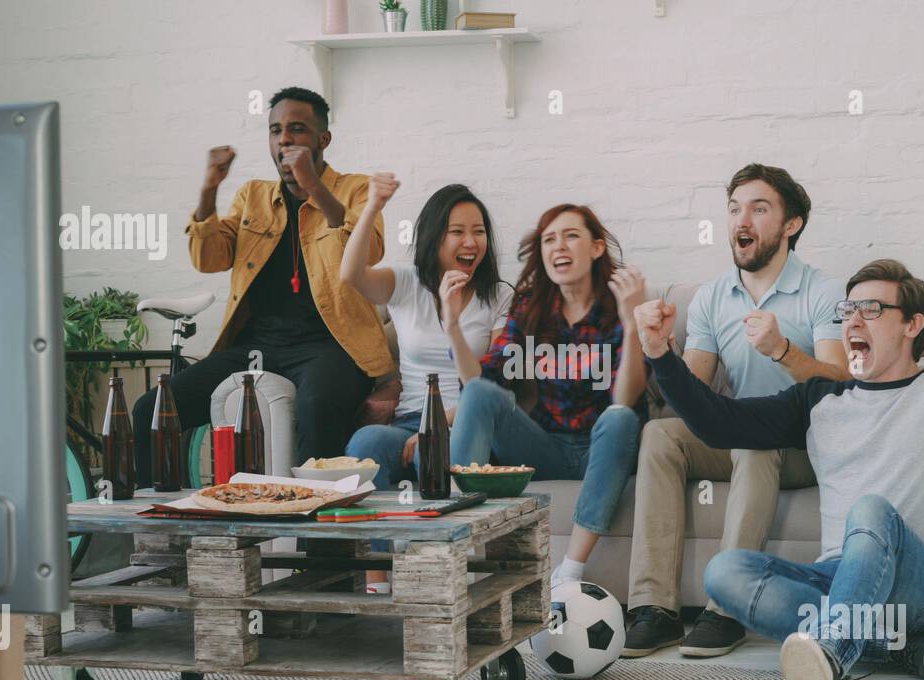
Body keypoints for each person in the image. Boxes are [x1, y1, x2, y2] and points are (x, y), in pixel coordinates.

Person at [635, 122, 924, 680]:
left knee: (870, 510)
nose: (855, 321)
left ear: (913, 324)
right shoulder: (820, 400)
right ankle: (892, 653)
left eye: (873, 308)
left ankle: (835, 658)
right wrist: (659, 355)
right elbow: (717, 424)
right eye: (849, 309)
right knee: (724, 571)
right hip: (841, 582)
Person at [622, 164, 848, 659]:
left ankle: (727, 609)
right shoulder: (710, 297)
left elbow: (839, 383)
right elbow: (695, 392)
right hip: (738, 431)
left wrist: (782, 349)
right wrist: (658, 349)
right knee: (660, 435)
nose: (741, 219)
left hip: (800, 446)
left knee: (754, 440)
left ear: (792, 225)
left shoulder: (823, 292)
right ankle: (653, 610)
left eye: (759, 208)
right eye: (733, 208)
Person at [133, 87, 391, 481]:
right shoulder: (253, 196)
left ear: (323, 140)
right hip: (256, 345)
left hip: (332, 346)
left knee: (317, 407)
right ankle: (162, 529)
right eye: (275, 130)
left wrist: (314, 187)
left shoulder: (355, 189)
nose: (284, 139)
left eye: (297, 129)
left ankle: (323, 539)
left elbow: (368, 249)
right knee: (152, 410)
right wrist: (208, 189)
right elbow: (209, 258)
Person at [450, 205, 649, 587]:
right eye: (549, 239)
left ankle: (570, 571)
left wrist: (632, 323)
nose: (559, 246)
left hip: (603, 449)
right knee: (476, 392)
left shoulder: (620, 306)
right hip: (544, 449)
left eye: (571, 235)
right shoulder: (529, 307)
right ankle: (460, 540)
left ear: (595, 248)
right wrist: (453, 325)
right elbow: (482, 381)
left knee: (621, 416)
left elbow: (627, 397)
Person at [341, 174, 510, 592]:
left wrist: (437, 427)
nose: (471, 242)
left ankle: (432, 580)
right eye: (458, 232)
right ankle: (377, 581)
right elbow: (350, 275)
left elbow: (486, 386)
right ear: (434, 238)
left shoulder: (499, 298)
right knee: (364, 446)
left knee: (431, 455)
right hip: (408, 421)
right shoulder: (405, 284)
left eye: (479, 232)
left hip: (465, 423)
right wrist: (372, 207)